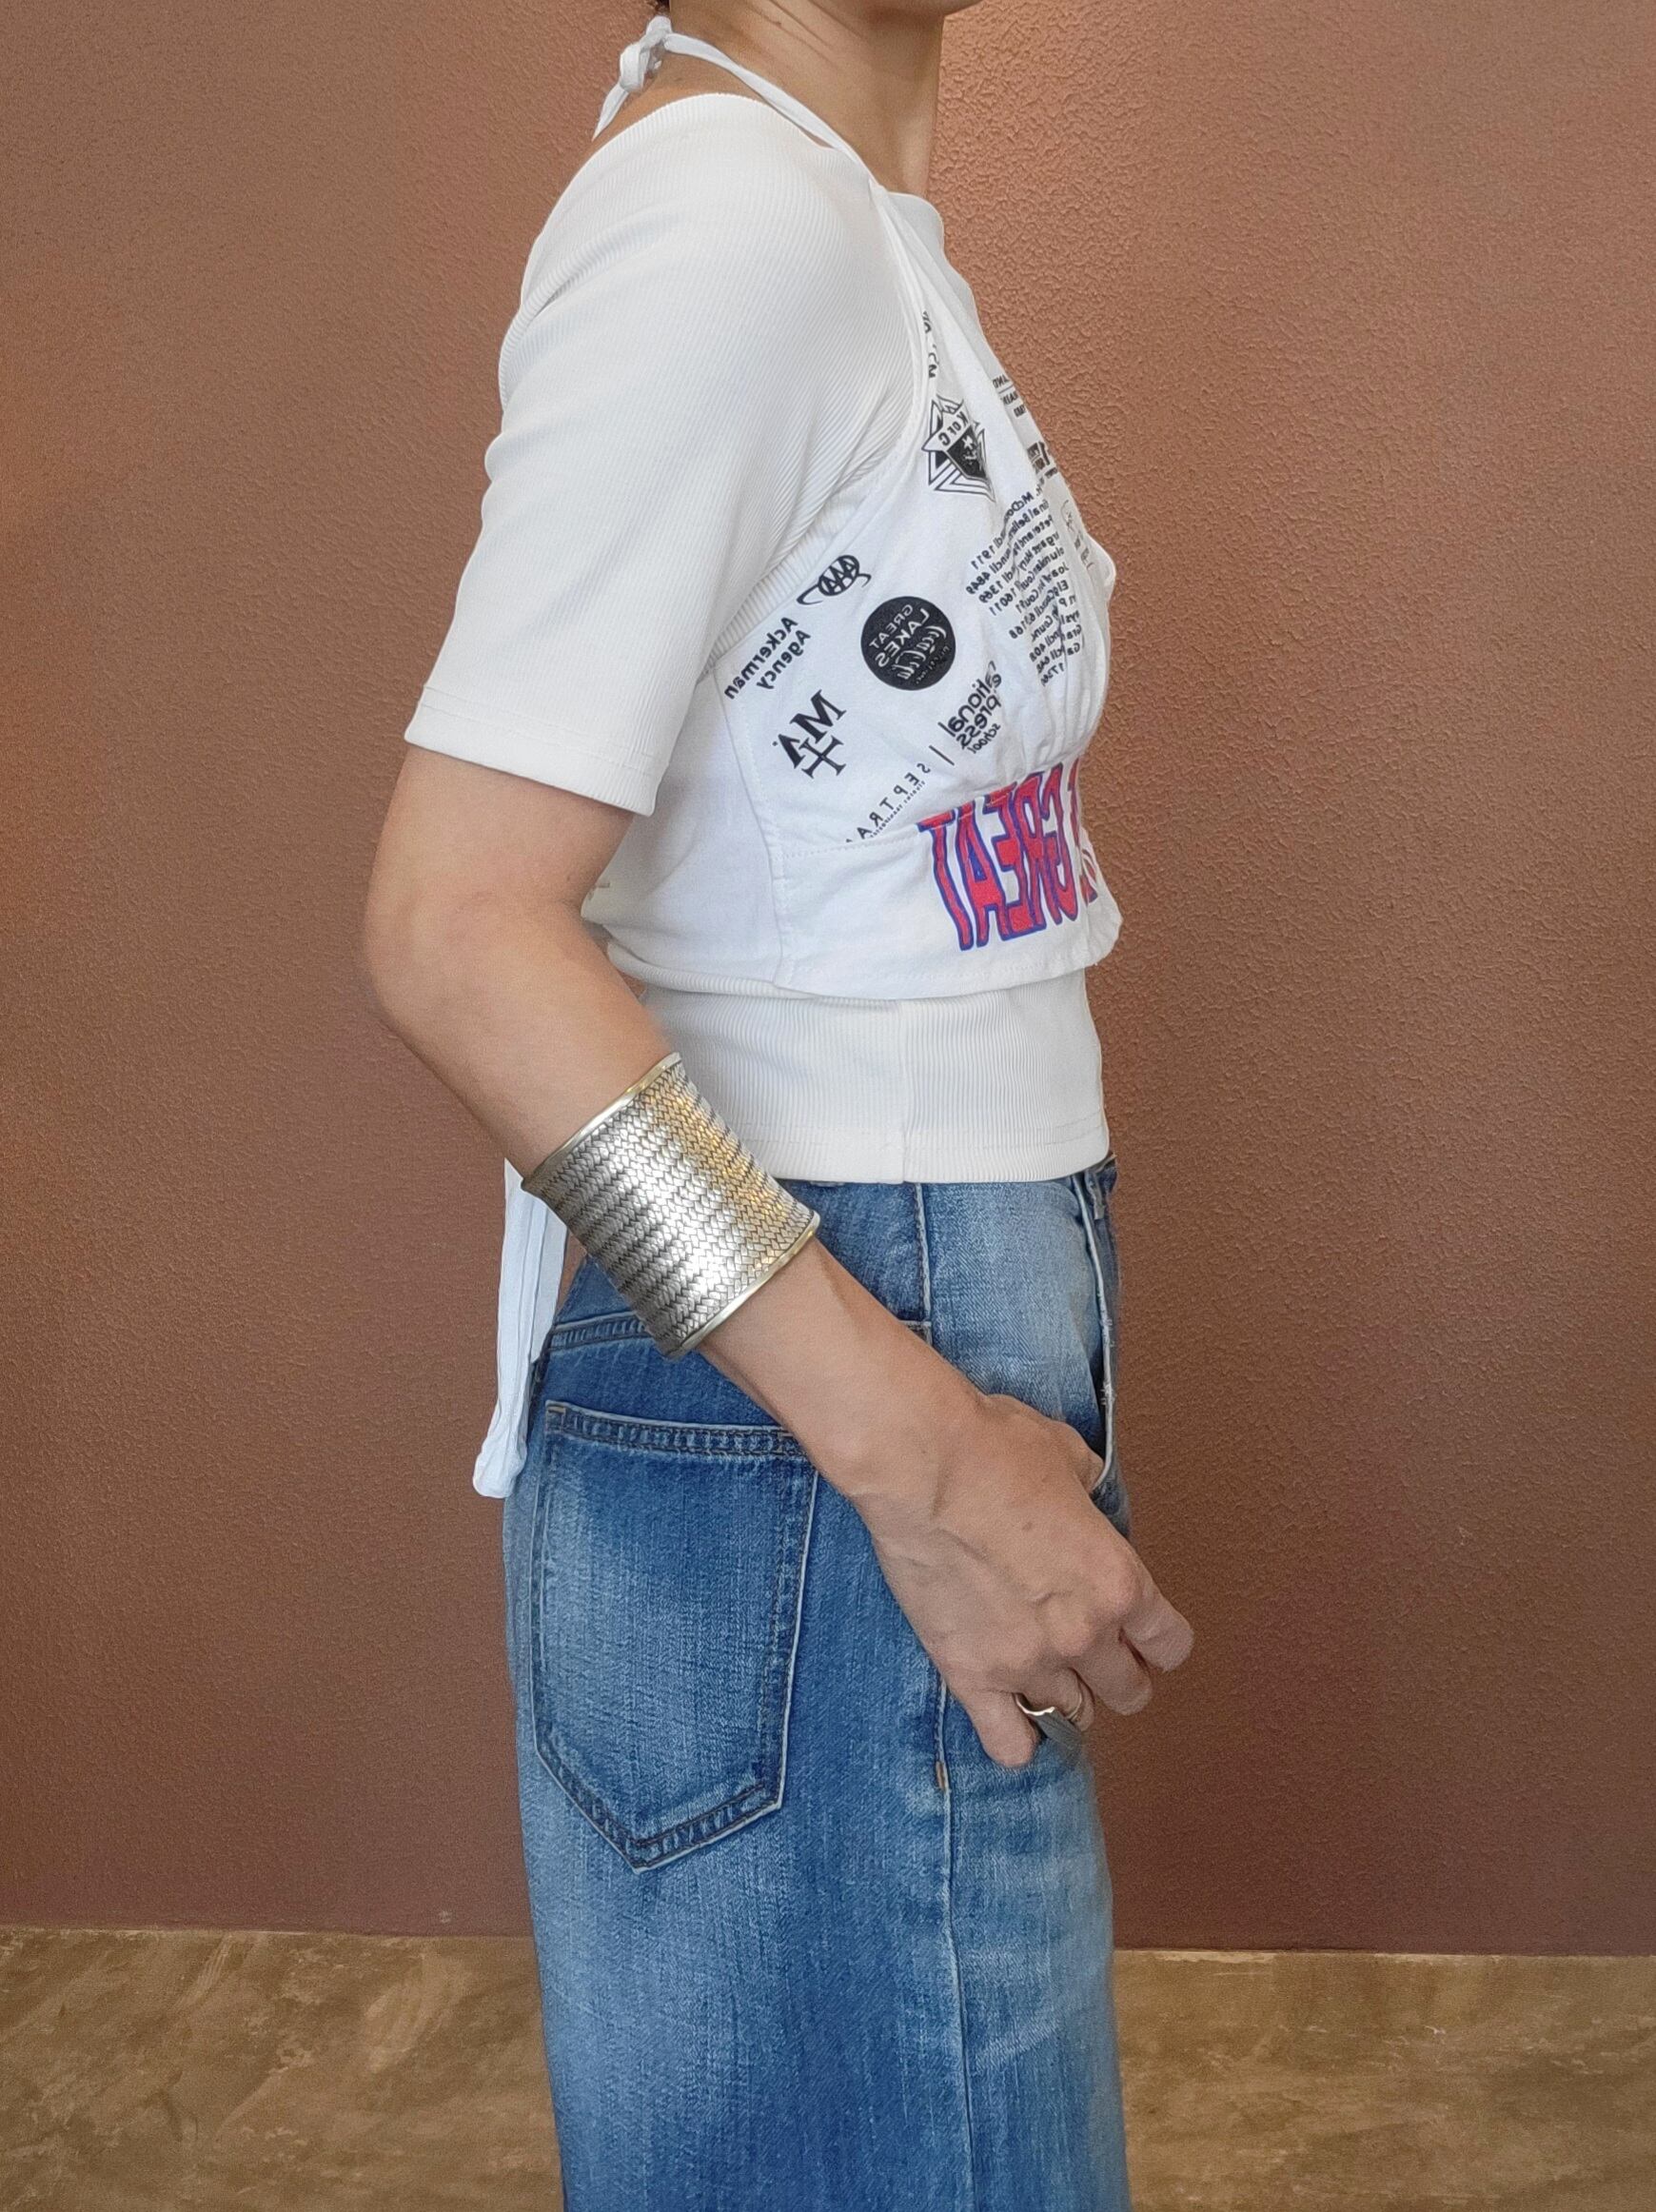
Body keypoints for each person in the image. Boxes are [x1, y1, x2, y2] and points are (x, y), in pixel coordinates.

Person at [362, 5, 1194, 2205]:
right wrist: (920, 1450)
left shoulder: (832, 216)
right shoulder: (726, 218)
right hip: (830, 1363)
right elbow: (456, 925)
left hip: (884, 1318)